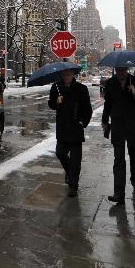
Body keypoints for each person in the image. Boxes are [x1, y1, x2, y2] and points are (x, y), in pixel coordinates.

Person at [102, 67, 135, 204]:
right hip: (117, 124)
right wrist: (104, 120)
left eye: (123, 70)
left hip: (132, 123)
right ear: (116, 70)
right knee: (119, 160)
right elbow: (107, 103)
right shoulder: (110, 83)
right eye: (118, 70)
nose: (120, 72)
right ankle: (119, 193)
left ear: (127, 69)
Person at [47, 67, 92, 197]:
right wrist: (56, 102)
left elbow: (87, 109)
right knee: (60, 153)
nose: (67, 76)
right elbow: (51, 104)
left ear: (73, 74)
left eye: (69, 74)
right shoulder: (56, 87)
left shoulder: (81, 89)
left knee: (76, 160)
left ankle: (73, 185)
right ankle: (69, 172)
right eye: (65, 74)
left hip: (76, 128)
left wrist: (83, 122)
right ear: (62, 75)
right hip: (62, 128)